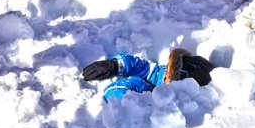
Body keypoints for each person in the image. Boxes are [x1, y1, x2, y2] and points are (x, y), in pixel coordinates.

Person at [82, 48, 214, 101]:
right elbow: (146, 69)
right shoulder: (162, 75)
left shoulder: (180, 99)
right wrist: (115, 65)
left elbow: (117, 94)